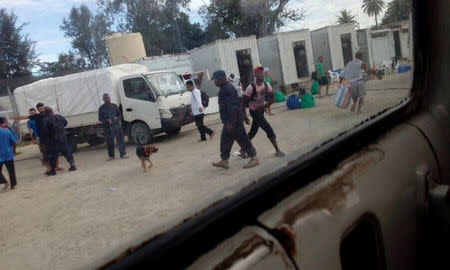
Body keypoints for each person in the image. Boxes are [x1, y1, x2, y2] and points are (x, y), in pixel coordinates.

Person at [211, 70, 259, 169]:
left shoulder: (227, 89)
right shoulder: (224, 88)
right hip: (231, 121)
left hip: (234, 121)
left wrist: (230, 123)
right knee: (225, 139)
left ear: (220, 78)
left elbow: (232, 107)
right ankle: (224, 160)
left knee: (243, 139)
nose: (214, 82)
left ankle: (254, 158)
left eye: (215, 79)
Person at [243, 66, 285, 157]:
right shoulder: (250, 88)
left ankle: (242, 150)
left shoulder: (267, 85)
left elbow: (272, 99)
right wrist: (244, 116)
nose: (261, 75)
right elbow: (243, 103)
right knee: (269, 129)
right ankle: (277, 150)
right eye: (259, 73)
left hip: (260, 111)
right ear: (255, 74)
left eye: (262, 73)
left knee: (253, 131)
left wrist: (264, 106)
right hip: (254, 112)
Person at [9, 102, 60, 173]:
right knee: (44, 153)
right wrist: (15, 117)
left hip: (51, 137)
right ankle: (48, 168)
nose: (42, 109)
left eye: (42, 108)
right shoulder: (36, 116)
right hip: (42, 137)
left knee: (55, 152)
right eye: (40, 109)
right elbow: (25, 117)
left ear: (44, 107)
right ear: (38, 110)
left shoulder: (49, 115)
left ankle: (57, 166)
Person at [40, 107, 77, 175]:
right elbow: (65, 123)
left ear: (45, 113)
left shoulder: (45, 120)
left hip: (53, 141)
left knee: (52, 156)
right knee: (67, 152)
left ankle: (53, 171)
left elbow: (44, 132)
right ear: (52, 111)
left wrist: (43, 142)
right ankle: (72, 165)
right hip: (63, 138)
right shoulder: (59, 116)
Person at [98, 93, 128, 160]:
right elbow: (100, 118)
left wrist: (116, 118)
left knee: (120, 140)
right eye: (106, 98)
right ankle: (111, 156)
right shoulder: (101, 108)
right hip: (107, 128)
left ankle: (123, 154)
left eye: (108, 98)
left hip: (116, 126)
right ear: (103, 99)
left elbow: (120, 115)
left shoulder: (114, 106)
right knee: (110, 142)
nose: (108, 99)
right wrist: (106, 120)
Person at [0, 117, 18, 190]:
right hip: (8, 153)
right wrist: (14, 150)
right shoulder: (7, 130)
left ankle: (5, 182)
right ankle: (13, 185)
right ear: (4, 121)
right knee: (11, 170)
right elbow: (13, 142)